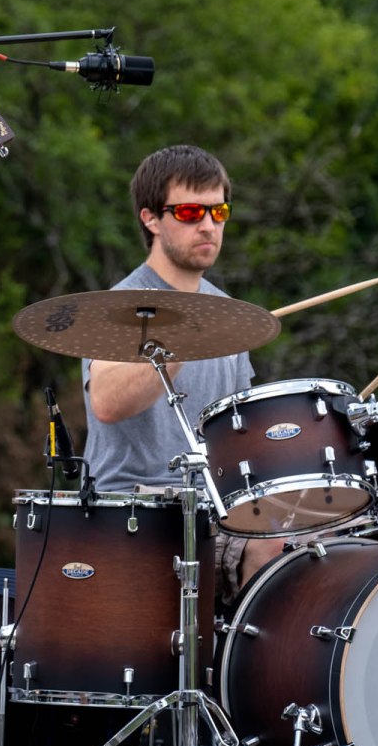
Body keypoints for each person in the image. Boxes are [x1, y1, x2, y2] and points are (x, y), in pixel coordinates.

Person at [79, 144, 279, 602]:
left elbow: (239, 431)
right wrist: (182, 340)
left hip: (211, 511)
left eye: (218, 211)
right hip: (134, 511)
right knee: (268, 549)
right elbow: (106, 403)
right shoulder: (118, 307)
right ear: (151, 218)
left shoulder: (228, 312)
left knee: (313, 545)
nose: (208, 225)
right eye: (190, 212)